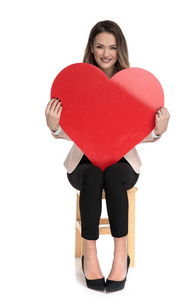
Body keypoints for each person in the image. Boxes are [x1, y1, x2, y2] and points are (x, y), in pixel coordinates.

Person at [45, 20, 170, 292]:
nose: (106, 53)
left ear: (119, 50)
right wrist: (54, 125)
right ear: (91, 47)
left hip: (122, 164)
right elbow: (71, 128)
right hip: (83, 163)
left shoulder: (133, 85)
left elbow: (140, 130)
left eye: (112, 47)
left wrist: (159, 131)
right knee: (93, 174)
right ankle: (89, 256)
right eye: (100, 46)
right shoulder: (78, 83)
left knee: (112, 173)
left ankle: (119, 256)